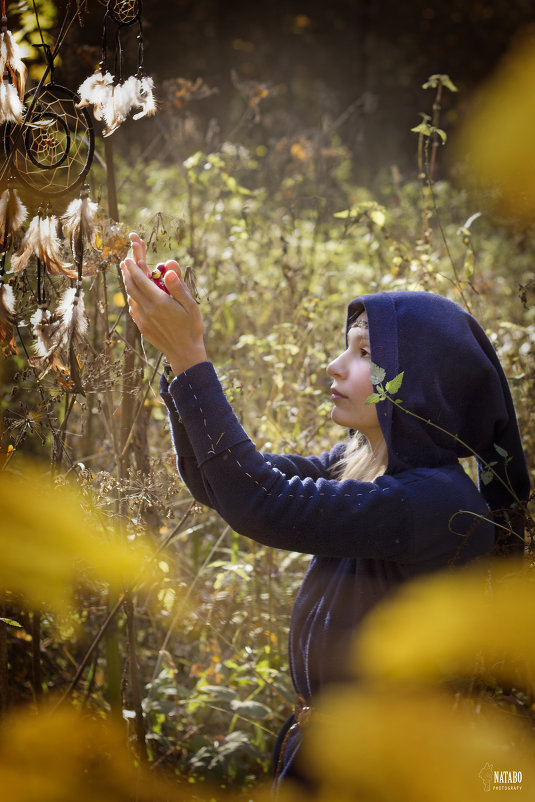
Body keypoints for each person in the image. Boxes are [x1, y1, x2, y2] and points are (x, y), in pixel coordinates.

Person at [120, 232, 530, 788]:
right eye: (347, 347)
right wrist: (176, 356)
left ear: (423, 387)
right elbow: (219, 482)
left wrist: (190, 356)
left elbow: (259, 501)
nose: (336, 365)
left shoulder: (436, 502)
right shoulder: (365, 462)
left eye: (365, 353)